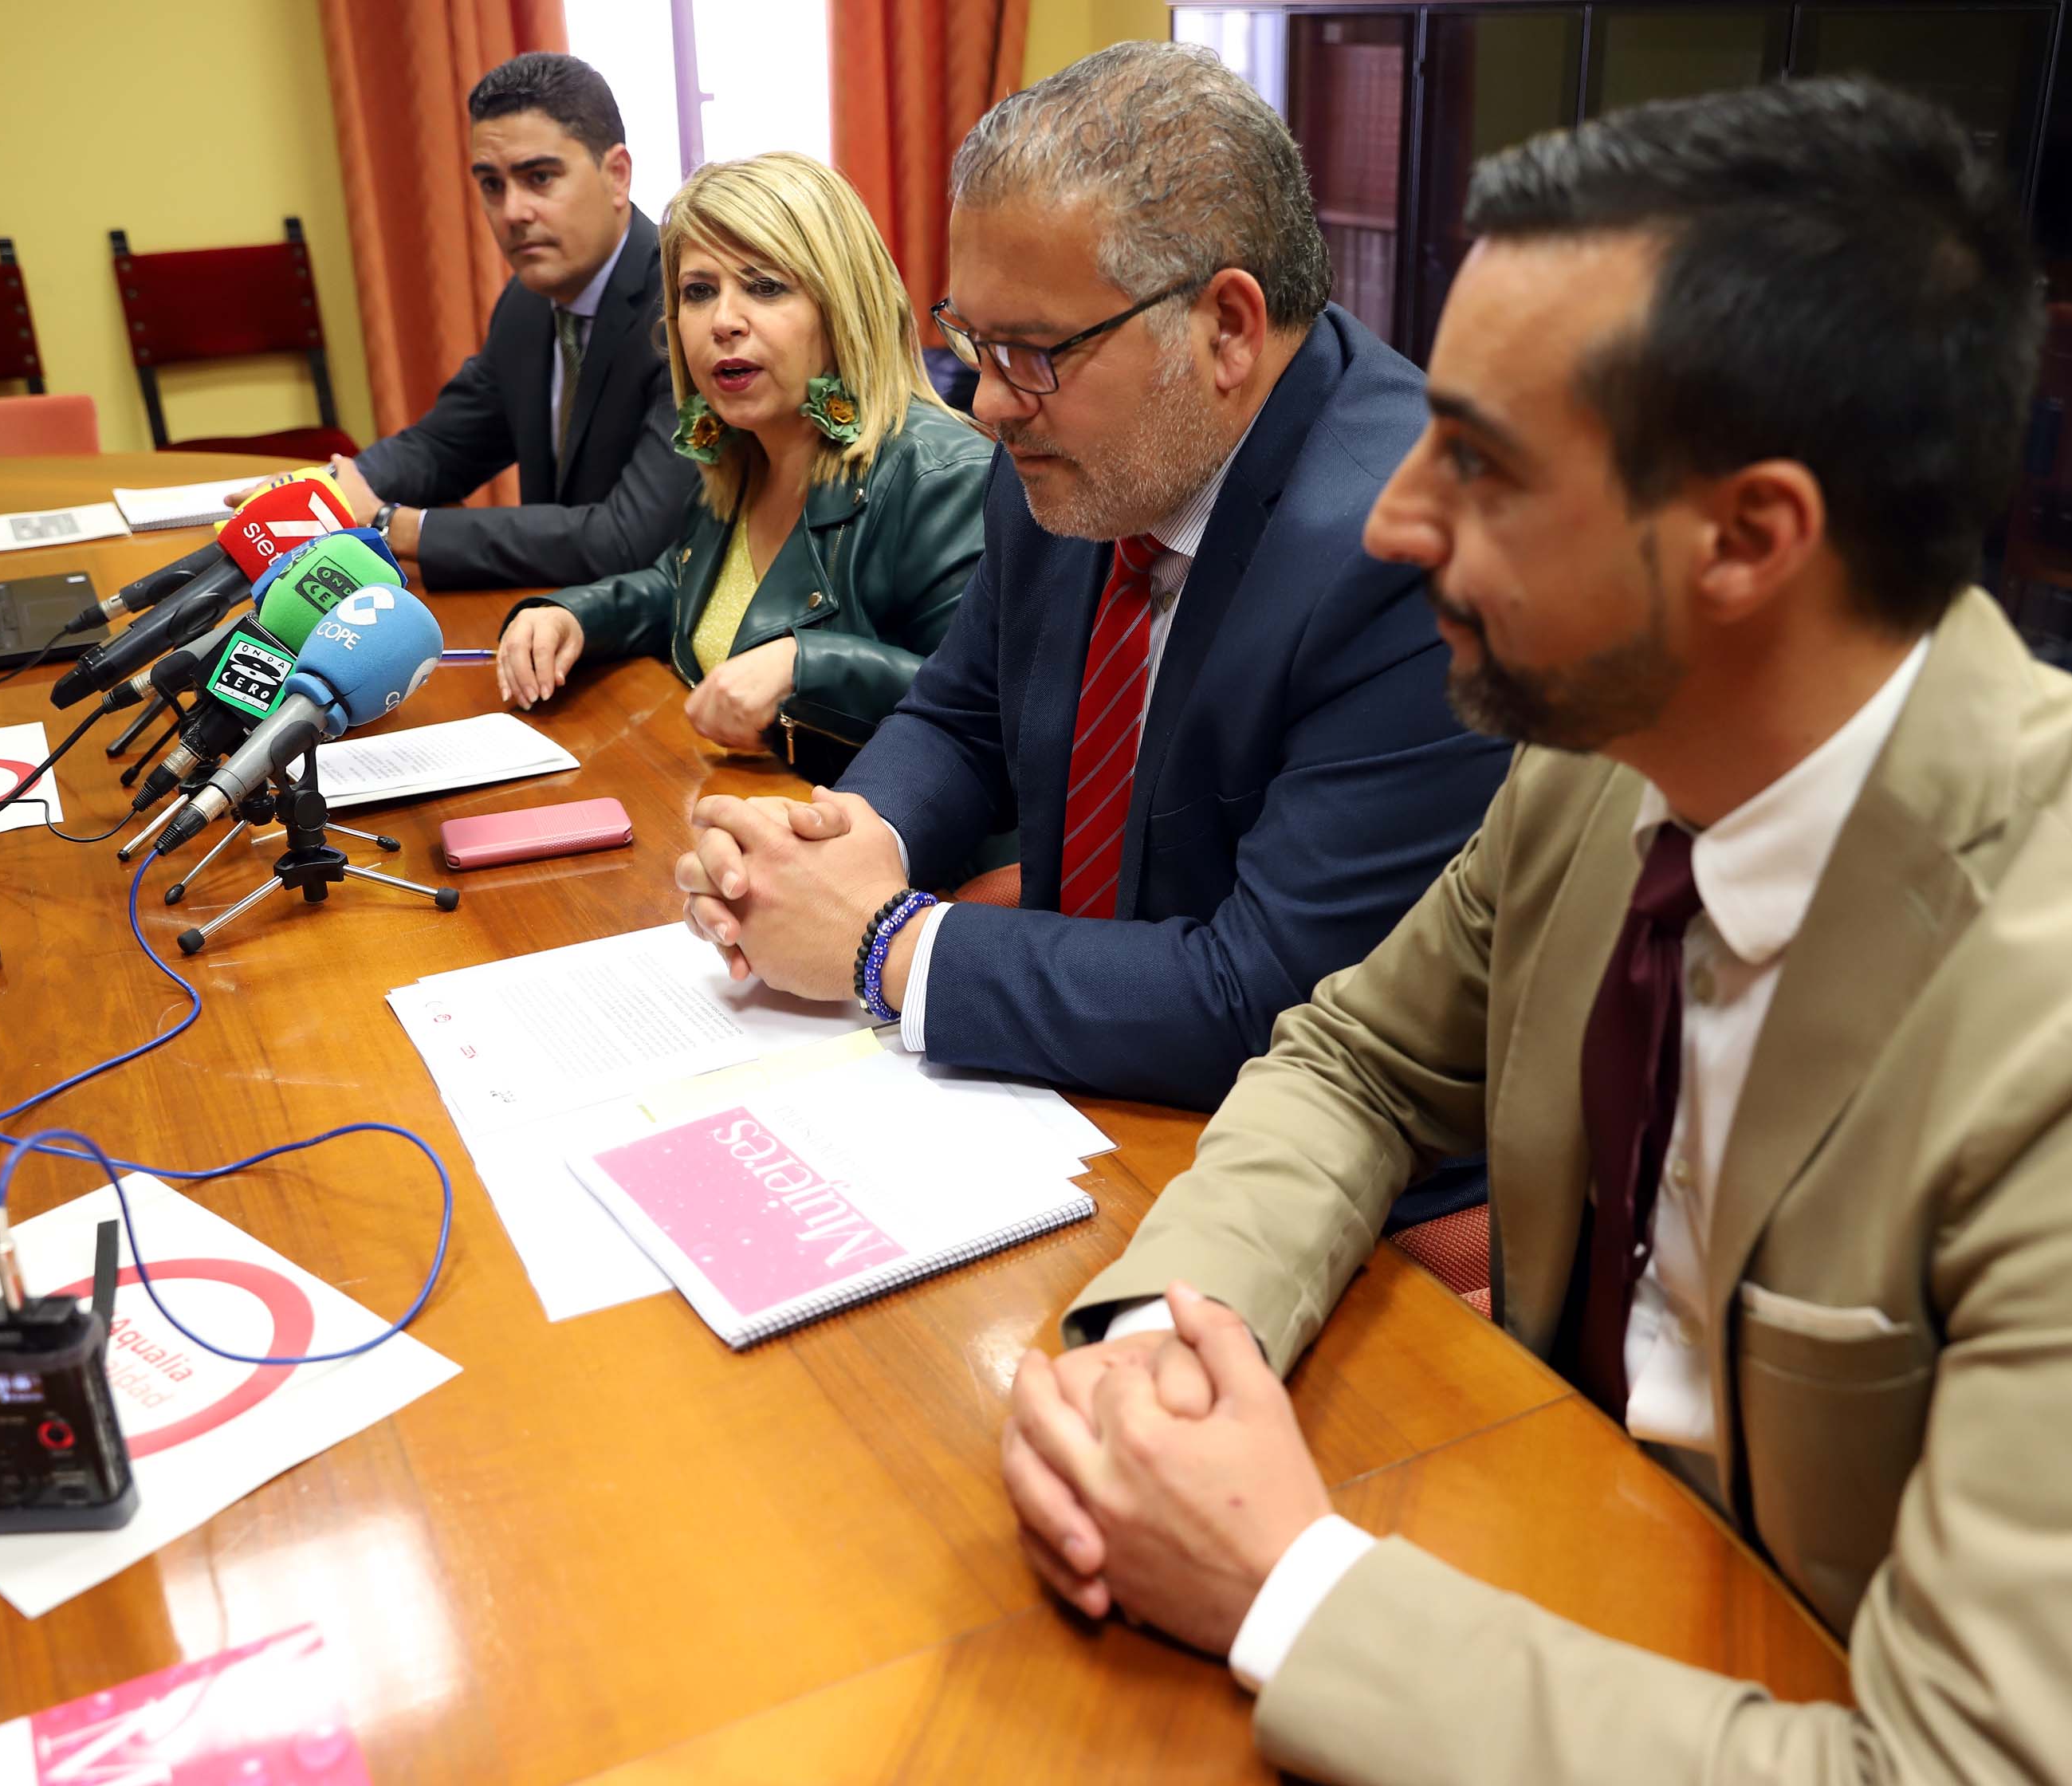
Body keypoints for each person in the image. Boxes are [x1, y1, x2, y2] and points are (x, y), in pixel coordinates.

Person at [1000, 78, 2072, 1786]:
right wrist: (1173, 1340)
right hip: (1601, 1588)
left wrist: (1288, 1590)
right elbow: (1356, 1058)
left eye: (1483, 464)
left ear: (1749, 538)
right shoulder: (1604, 758)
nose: (1390, 519)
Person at [670, 45, 1509, 1149]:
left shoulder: (1414, 553)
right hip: (1072, 1075)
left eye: (1029, 352)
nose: (987, 404)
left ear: (1226, 328)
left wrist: (883, 946)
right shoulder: (1074, 452)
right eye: (972, 341)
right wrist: (844, 841)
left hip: (1301, 1151)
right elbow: (962, 716)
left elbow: (1276, 998)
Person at [489, 153, 993, 781]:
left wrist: (805, 667)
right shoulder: (741, 449)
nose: (723, 322)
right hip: (727, 804)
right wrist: (572, 616)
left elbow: (984, 713)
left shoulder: (943, 475)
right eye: (699, 292)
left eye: (765, 286)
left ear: (842, 305)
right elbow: (688, 590)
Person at [321, 53, 699, 592]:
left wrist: (390, 525)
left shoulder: (686, 308)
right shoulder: (526, 303)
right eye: (492, 185)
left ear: (617, 175)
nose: (512, 213)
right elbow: (445, 447)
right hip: (555, 613)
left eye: (539, 178)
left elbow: (628, 538)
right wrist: (330, 492)